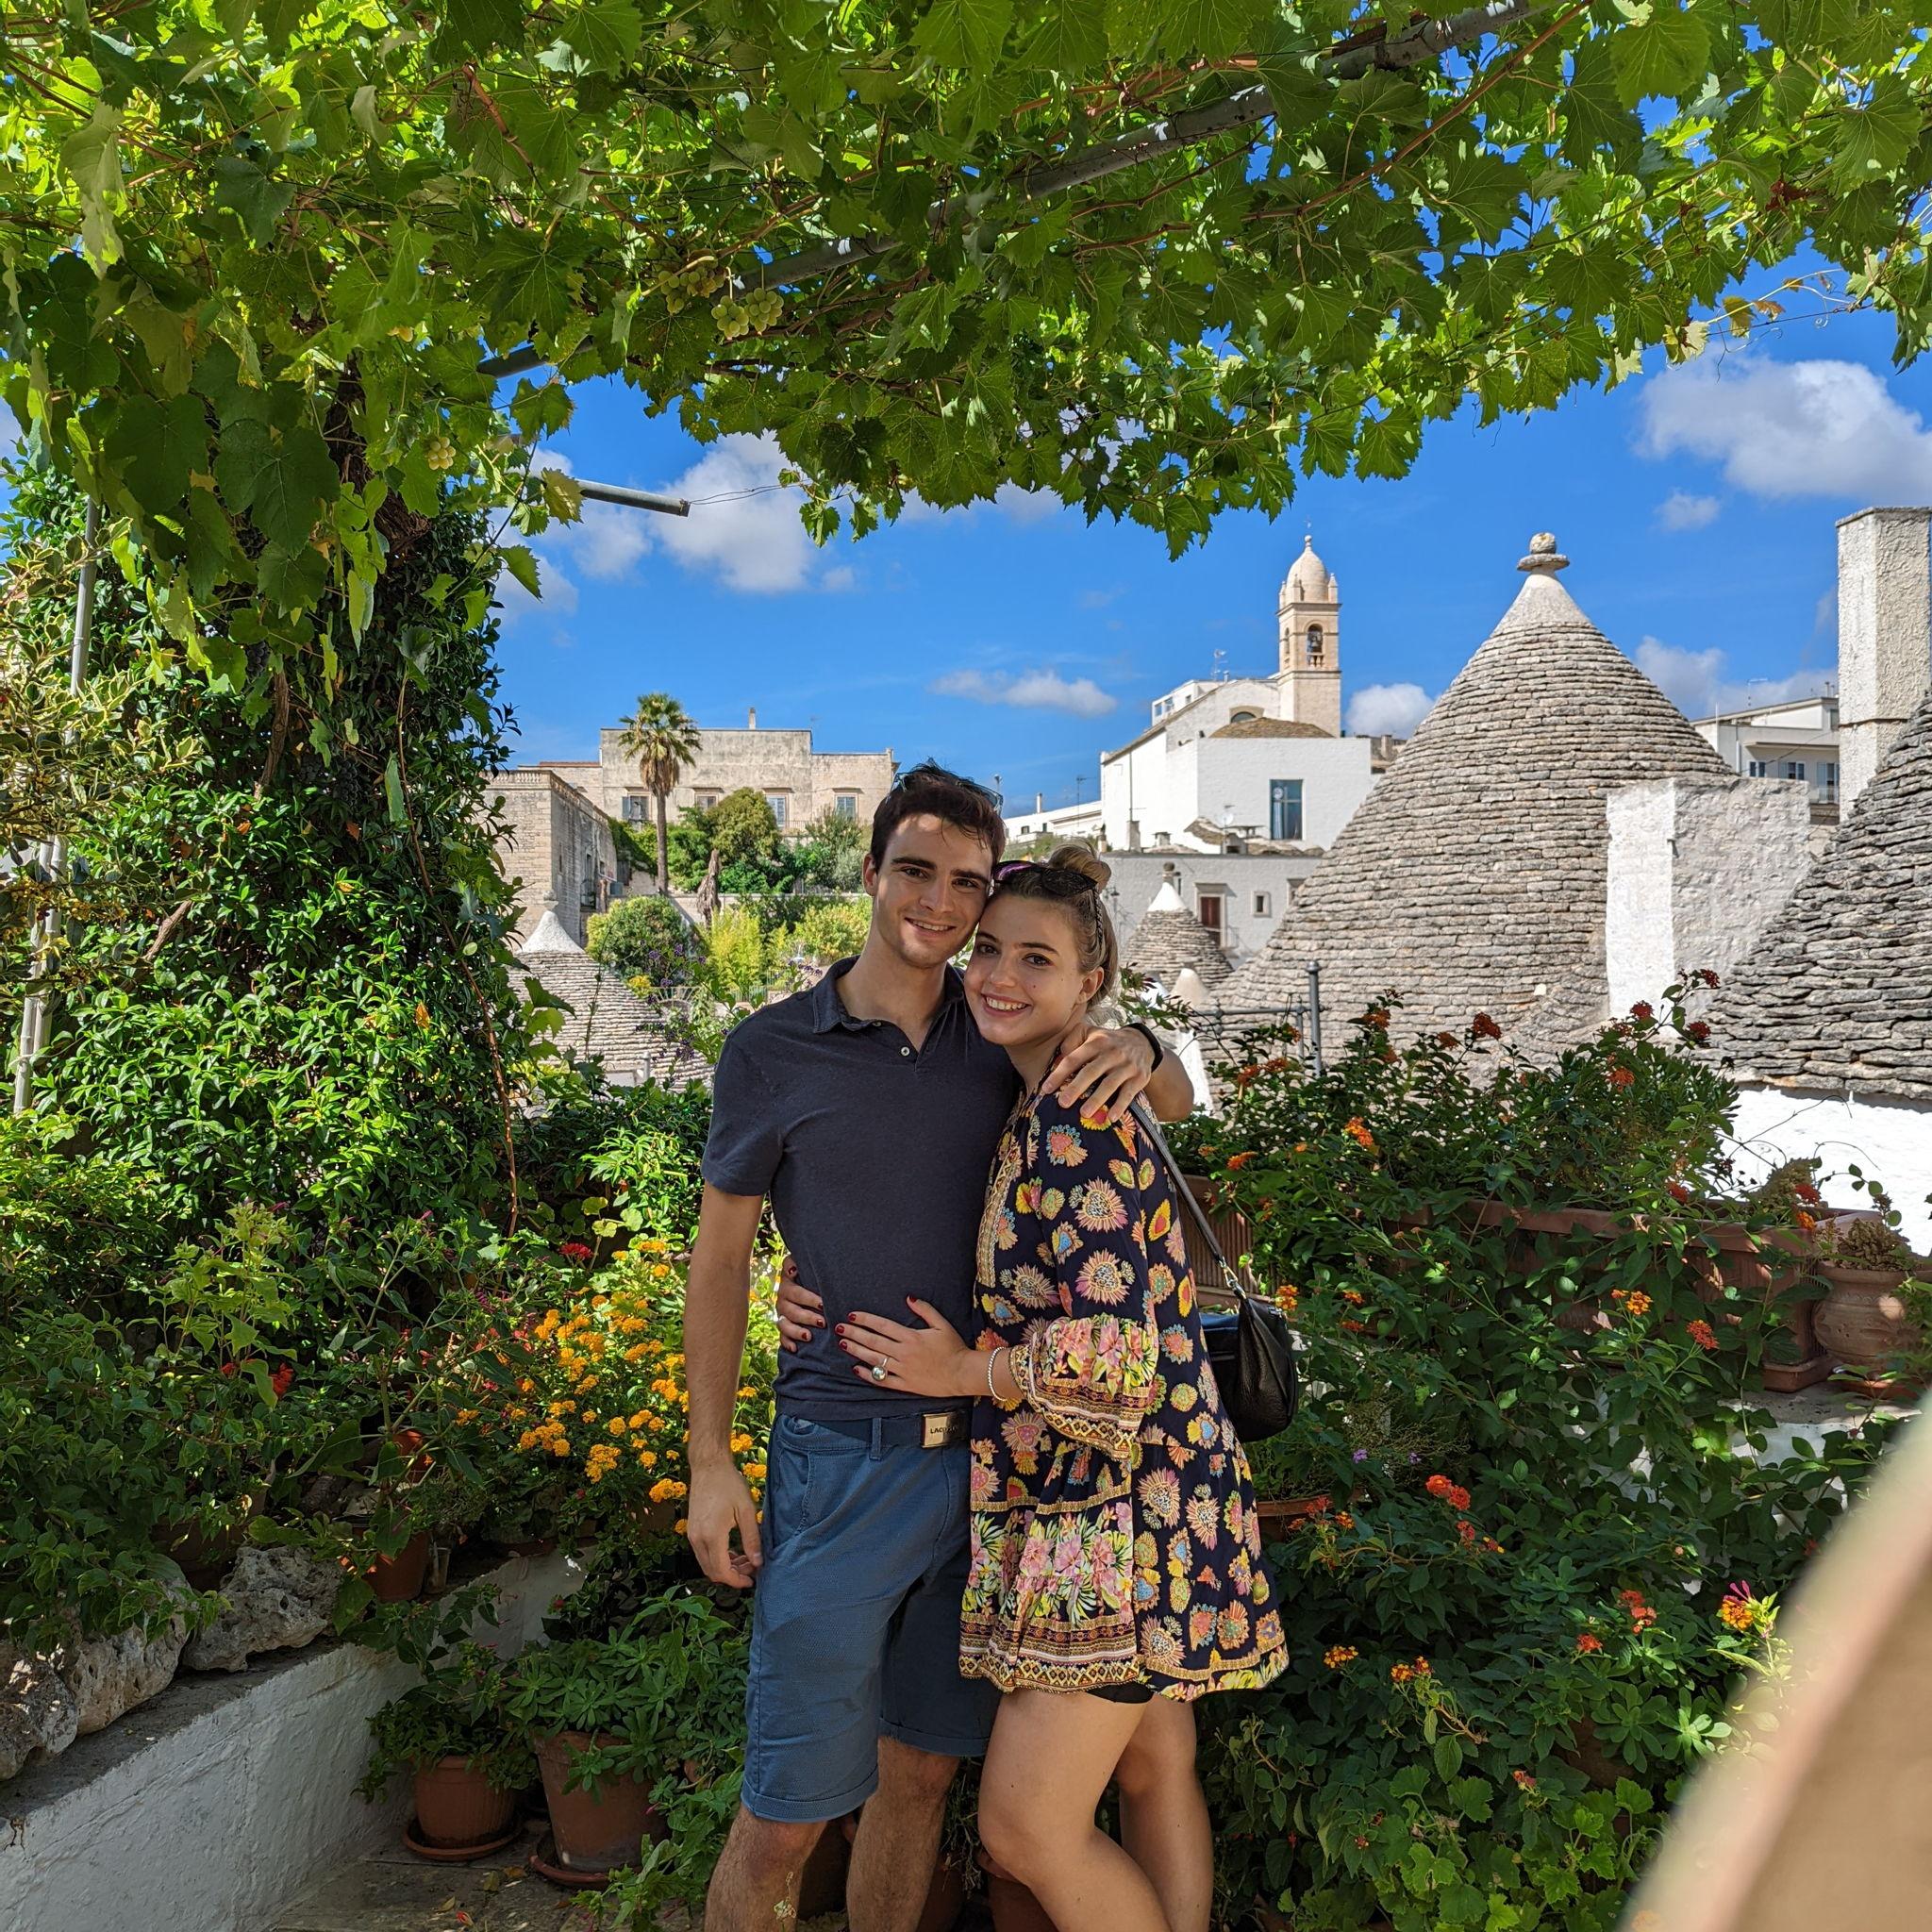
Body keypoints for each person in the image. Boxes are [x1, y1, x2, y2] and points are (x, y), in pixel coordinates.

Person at [684, 766, 1195, 1932]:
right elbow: (719, 1257)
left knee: (919, 1780)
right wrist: (708, 1457)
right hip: (840, 1458)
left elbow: (1169, 1098)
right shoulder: (772, 1051)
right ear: (868, 874)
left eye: (966, 880)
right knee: (785, 1811)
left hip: (996, 1466)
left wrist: (1145, 1039)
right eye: (915, 869)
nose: (939, 900)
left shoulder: (1004, 1028)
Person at [813, 846, 1288, 1932]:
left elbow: (1112, 1354)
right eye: (990, 949)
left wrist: (963, 1370)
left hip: (1114, 1515)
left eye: (1036, 957)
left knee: (1023, 1828)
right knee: (1155, 1761)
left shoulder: (1073, 1119)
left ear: (1090, 985)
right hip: (1158, 1493)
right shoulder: (1045, 1092)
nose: (997, 973)